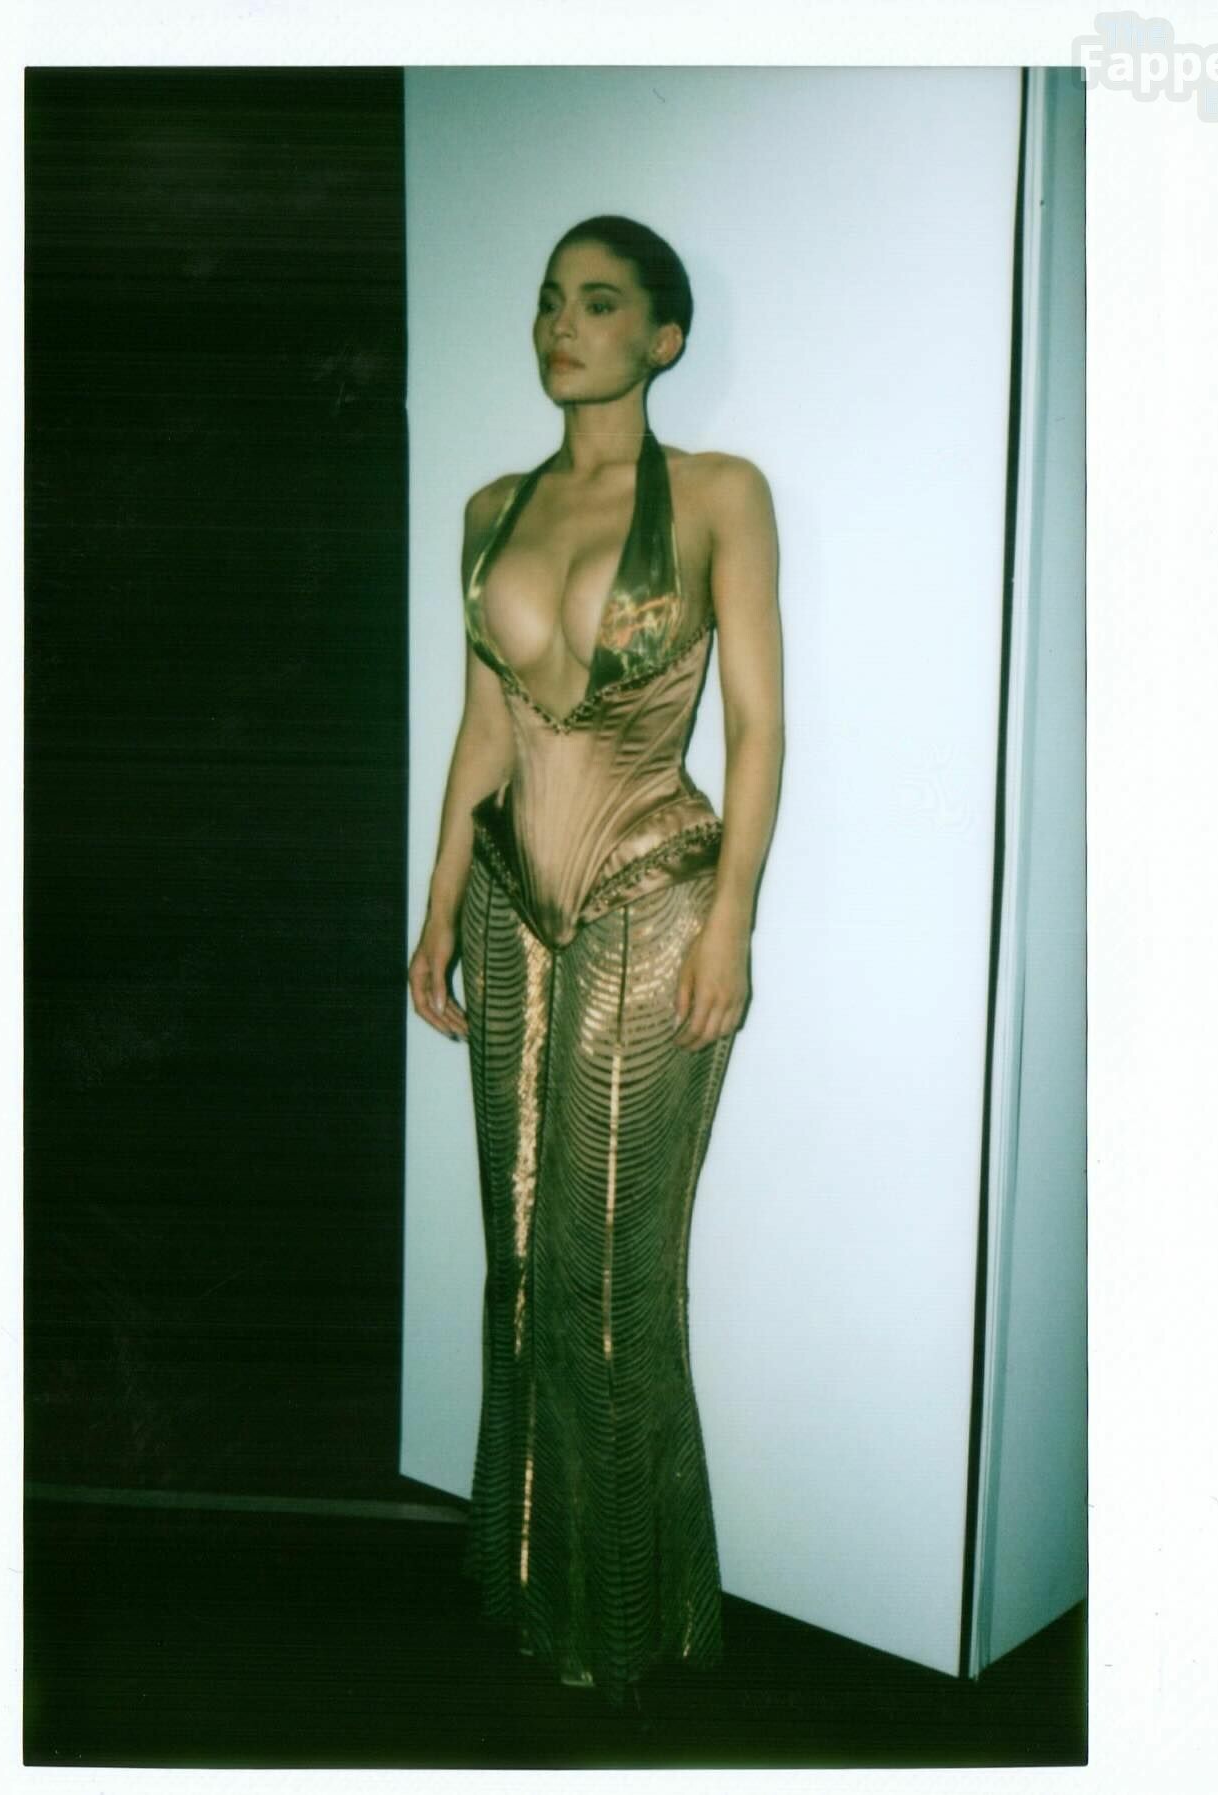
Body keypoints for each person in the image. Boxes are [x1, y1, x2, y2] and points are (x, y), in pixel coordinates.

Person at [408, 214, 784, 1706]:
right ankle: (522, 1585)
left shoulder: (720, 495)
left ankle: (629, 1624)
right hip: (513, 903)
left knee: (612, 1278)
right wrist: (438, 908)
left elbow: (753, 721)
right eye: (551, 300)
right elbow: (485, 729)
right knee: (515, 1256)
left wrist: (734, 918)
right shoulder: (491, 508)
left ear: (664, 337)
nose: (564, 326)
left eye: (602, 303)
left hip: (655, 898)